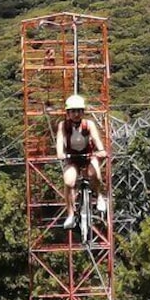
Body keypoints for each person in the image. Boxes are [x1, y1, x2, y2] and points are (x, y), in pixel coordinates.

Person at [56, 94, 108, 229]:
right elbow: (59, 142)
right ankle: (70, 214)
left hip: (88, 156)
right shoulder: (63, 126)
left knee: (94, 174)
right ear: (68, 113)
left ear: (83, 112)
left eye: (79, 111)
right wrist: (60, 153)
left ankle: (99, 196)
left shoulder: (88, 125)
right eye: (73, 111)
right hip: (72, 158)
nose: (76, 114)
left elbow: (96, 139)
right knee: (69, 181)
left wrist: (101, 150)